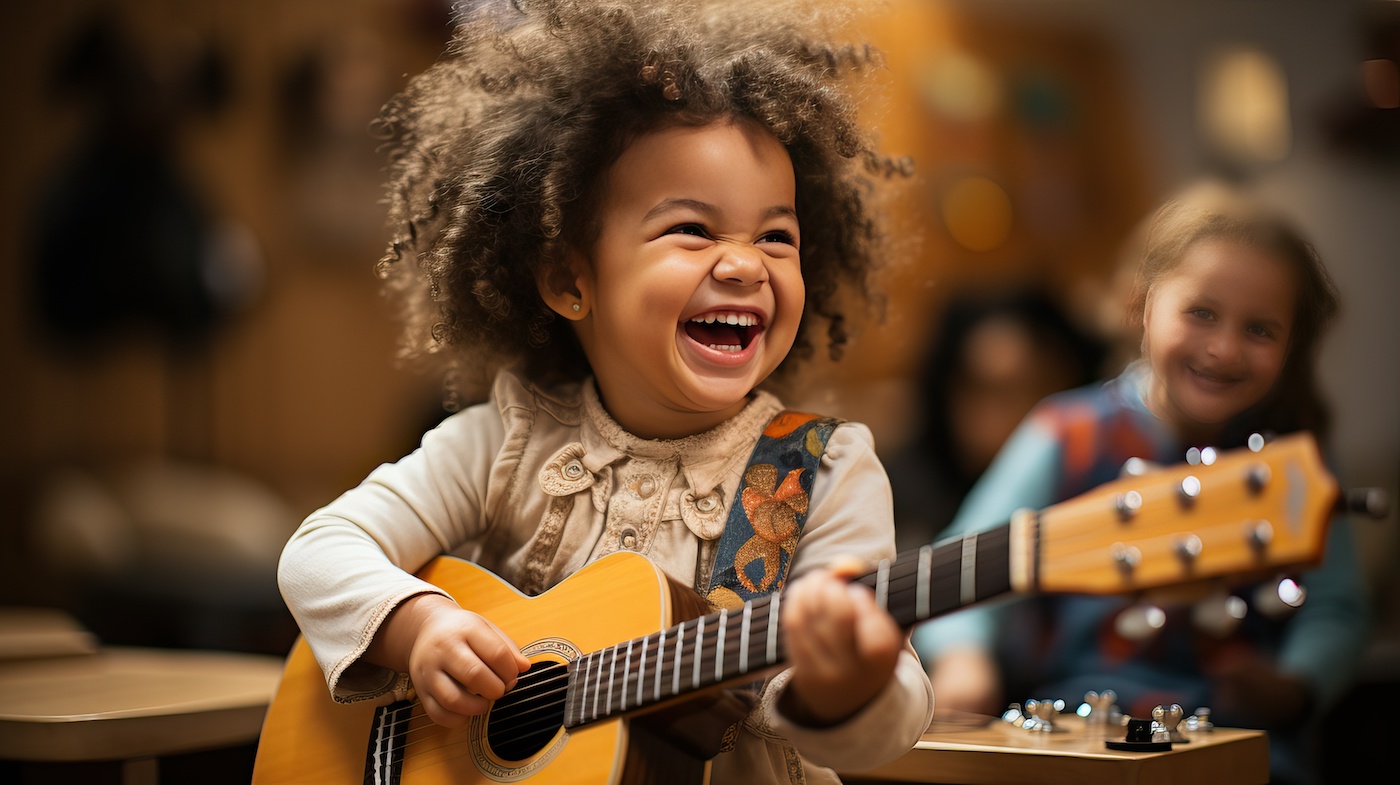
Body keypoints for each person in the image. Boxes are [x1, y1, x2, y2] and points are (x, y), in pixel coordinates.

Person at [275, 1, 933, 783]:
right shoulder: (504, 441)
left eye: (776, 236)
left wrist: (846, 681)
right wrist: (417, 627)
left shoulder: (820, 473)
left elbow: (885, 720)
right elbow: (319, 552)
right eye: (692, 228)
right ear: (567, 279)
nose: (744, 264)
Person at [911, 182, 1370, 785]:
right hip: (1073, 733)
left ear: (1293, 345)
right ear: (1139, 305)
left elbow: (1337, 605)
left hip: (1236, 742)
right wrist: (966, 659)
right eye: (1201, 313)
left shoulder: (1295, 460)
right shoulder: (1065, 431)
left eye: (1260, 330)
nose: (1224, 349)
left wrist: (1296, 684)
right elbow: (961, 564)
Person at [885, 286, 1107, 552]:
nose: (1006, 412)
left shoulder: (1103, 477)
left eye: (1029, 387)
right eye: (982, 389)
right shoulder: (896, 495)